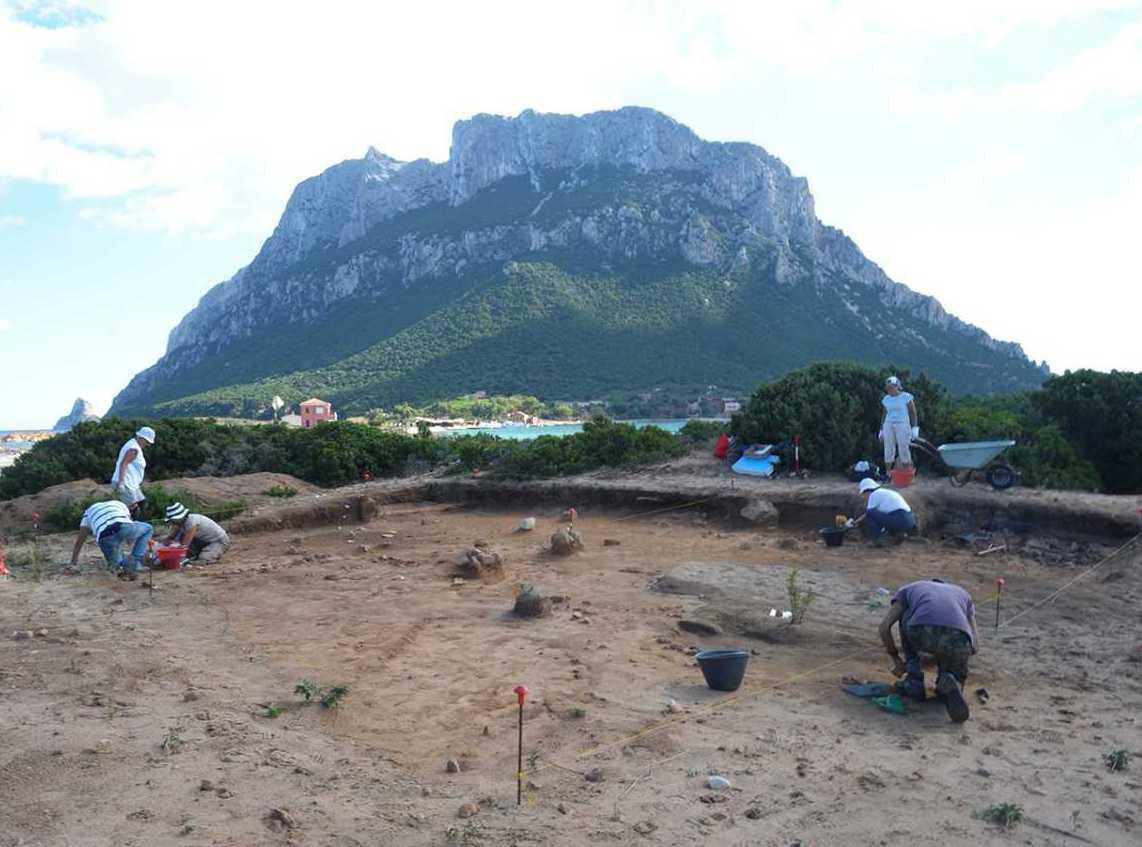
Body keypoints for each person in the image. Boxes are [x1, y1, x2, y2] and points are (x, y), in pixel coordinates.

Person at [878, 578, 978, 723]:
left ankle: (914, 680)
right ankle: (951, 680)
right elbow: (975, 646)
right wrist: (942, 657)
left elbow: (884, 627)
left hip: (922, 630)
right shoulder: (963, 594)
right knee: (952, 647)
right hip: (959, 640)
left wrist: (896, 658)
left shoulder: (909, 589)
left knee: (906, 615)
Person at [68, 499, 154, 580]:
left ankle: (125, 566)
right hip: (121, 525)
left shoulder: (87, 514)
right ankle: (136, 561)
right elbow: (128, 525)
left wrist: (73, 562)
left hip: (104, 537)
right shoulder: (119, 504)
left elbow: (80, 541)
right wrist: (132, 545)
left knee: (117, 566)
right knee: (148, 528)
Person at [849, 478, 916, 543]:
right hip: (909, 520)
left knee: (871, 513)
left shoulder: (874, 494)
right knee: (881, 516)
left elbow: (868, 513)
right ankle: (898, 534)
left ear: (867, 490)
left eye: (864, 493)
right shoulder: (887, 492)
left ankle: (877, 539)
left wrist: (855, 522)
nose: (865, 496)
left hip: (898, 519)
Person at [162, 502, 230, 564]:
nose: (172, 522)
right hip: (201, 541)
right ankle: (197, 554)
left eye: (173, 520)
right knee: (179, 545)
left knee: (204, 558)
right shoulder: (179, 523)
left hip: (218, 541)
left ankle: (210, 555)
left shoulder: (192, 522)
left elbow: (184, 546)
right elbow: (169, 538)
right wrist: (165, 545)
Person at [111, 426, 155, 515]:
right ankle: (131, 526)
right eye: (147, 442)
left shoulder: (134, 445)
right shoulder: (133, 448)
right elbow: (123, 464)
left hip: (132, 484)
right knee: (134, 509)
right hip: (126, 483)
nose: (148, 445)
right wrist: (121, 483)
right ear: (141, 438)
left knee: (142, 503)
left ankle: (139, 524)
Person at [879, 376, 918, 470]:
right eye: (888, 388)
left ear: (897, 386)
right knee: (888, 448)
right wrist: (881, 429)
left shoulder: (906, 397)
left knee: (903, 447)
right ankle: (888, 473)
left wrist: (915, 428)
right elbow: (885, 414)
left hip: (902, 424)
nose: (890, 390)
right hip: (889, 424)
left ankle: (906, 472)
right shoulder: (886, 399)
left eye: (891, 387)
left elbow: (913, 412)